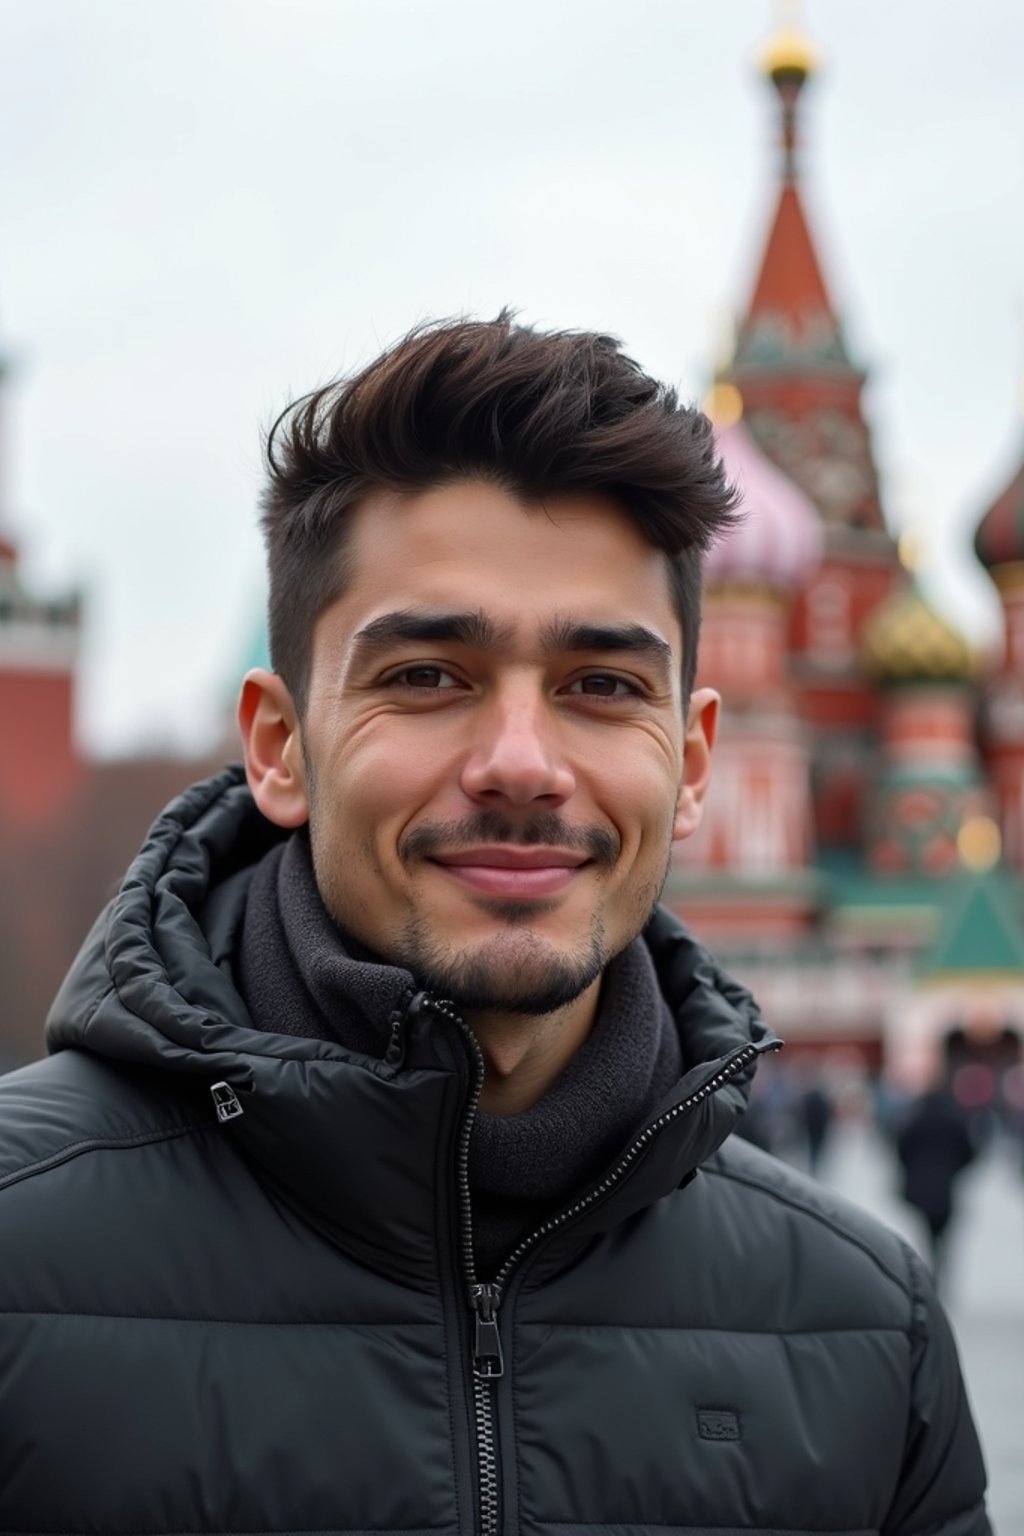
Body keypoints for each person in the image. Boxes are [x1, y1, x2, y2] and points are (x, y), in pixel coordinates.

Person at [0, 315, 989, 1534]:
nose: (521, 766)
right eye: (426, 676)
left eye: (601, 686)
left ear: (690, 765)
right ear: (279, 747)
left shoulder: (859, 1332)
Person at [896, 1076, 978, 1290]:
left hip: (920, 1186)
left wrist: (913, 1168)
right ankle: (939, 1269)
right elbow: (970, 1152)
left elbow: (901, 1148)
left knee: (927, 1232)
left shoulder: (915, 1120)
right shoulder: (955, 1121)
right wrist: (953, 1169)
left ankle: (932, 1268)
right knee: (943, 1233)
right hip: (945, 1186)